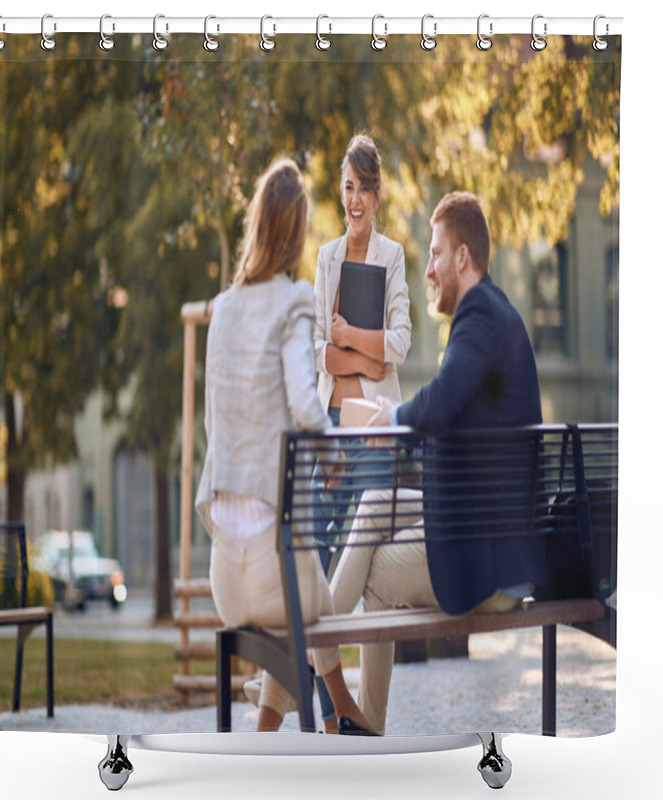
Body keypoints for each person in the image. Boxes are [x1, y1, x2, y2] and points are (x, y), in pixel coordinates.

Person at [328, 191, 547, 734]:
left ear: (462, 258)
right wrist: (396, 415)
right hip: (482, 529)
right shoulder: (491, 314)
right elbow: (452, 412)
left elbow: (443, 397)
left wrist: (392, 418)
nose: (427, 270)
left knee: (374, 578)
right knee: (376, 500)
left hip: (488, 564)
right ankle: (322, 680)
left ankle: (331, 687)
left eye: (434, 255)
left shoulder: (480, 319)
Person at [194, 158, 376, 735]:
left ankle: (298, 723)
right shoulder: (294, 300)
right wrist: (330, 456)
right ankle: (338, 710)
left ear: (255, 225)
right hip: (277, 576)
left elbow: (211, 425)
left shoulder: (221, 310)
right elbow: (305, 403)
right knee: (315, 595)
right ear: (297, 232)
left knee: (307, 587)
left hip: (225, 579)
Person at [310, 133, 412, 731]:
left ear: (376, 195)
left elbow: (397, 345)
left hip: (374, 428)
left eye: (364, 189)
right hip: (332, 427)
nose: (355, 199)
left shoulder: (392, 256)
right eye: (347, 187)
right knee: (318, 554)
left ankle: (370, 717)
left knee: (373, 572)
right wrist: (361, 358)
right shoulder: (325, 259)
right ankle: (331, 711)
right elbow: (318, 353)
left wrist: (350, 339)